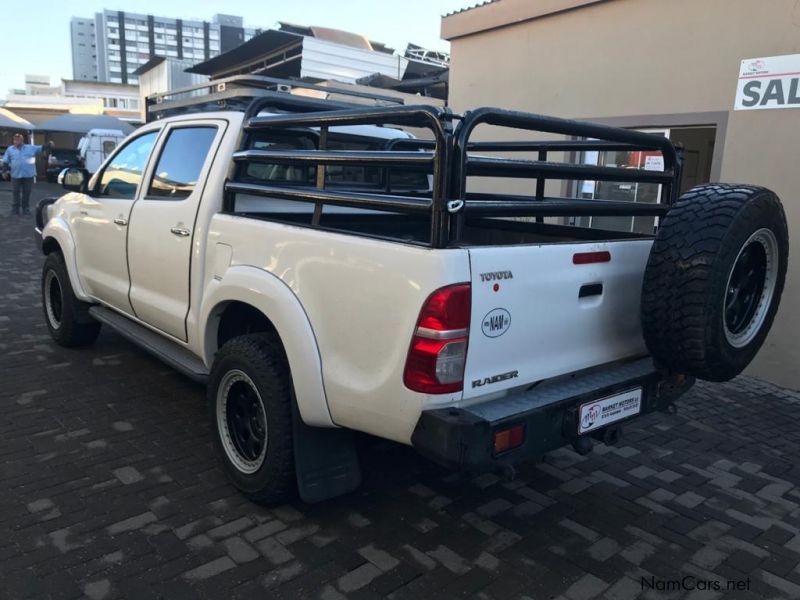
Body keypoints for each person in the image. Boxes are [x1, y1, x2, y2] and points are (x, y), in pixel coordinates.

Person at [1, 133, 52, 215]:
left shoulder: (30, 148)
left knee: (26, 192)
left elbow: (42, 148)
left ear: (22, 140)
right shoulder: (10, 149)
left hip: (28, 175)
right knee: (15, 192)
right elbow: (6, 161)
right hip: (15, 175)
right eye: (14, 140)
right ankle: (15, 209)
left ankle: (26, 208)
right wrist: (4, 171)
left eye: (18, 140)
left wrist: (49, 144)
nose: (16, 141)